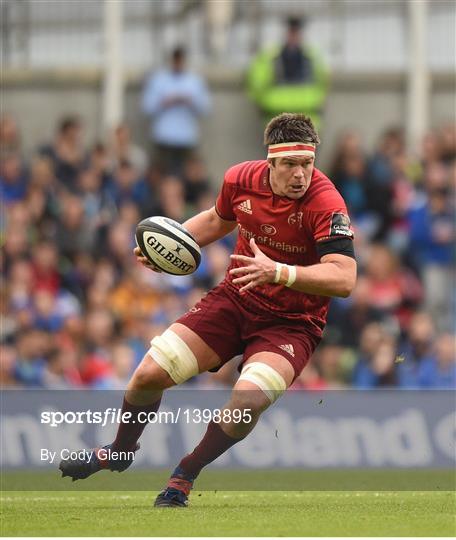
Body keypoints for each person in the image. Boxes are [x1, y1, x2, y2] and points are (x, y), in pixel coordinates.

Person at [59, 113, 357, 507]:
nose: (300, 175)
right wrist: (167, 243)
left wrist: (279, 272)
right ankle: (119, 451)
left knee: (248, 401)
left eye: (307, 163)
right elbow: (219, 220)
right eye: (289, 165)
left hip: (291, 324)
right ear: (270, 162)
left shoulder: (326, 202)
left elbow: (344, 277)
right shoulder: (239, 179)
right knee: (147, 374)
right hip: (235, 299)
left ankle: (186, 471)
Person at [247, 17, 329, 130]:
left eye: (296, 32)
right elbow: (256, 83)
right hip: (276, 117)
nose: (294, 36)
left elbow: (323, 81)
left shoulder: (312, 56)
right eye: (291, 32)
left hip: (307, 118)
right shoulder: (270, 56)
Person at [141, 46, 211, 174]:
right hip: (164, 136)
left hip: (186, 137)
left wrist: (190, 102)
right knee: (164, 174)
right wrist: (164, 102)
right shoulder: (159, 80)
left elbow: (206, 108)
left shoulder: (194, 81)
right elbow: (147, 107)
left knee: (186, 175)